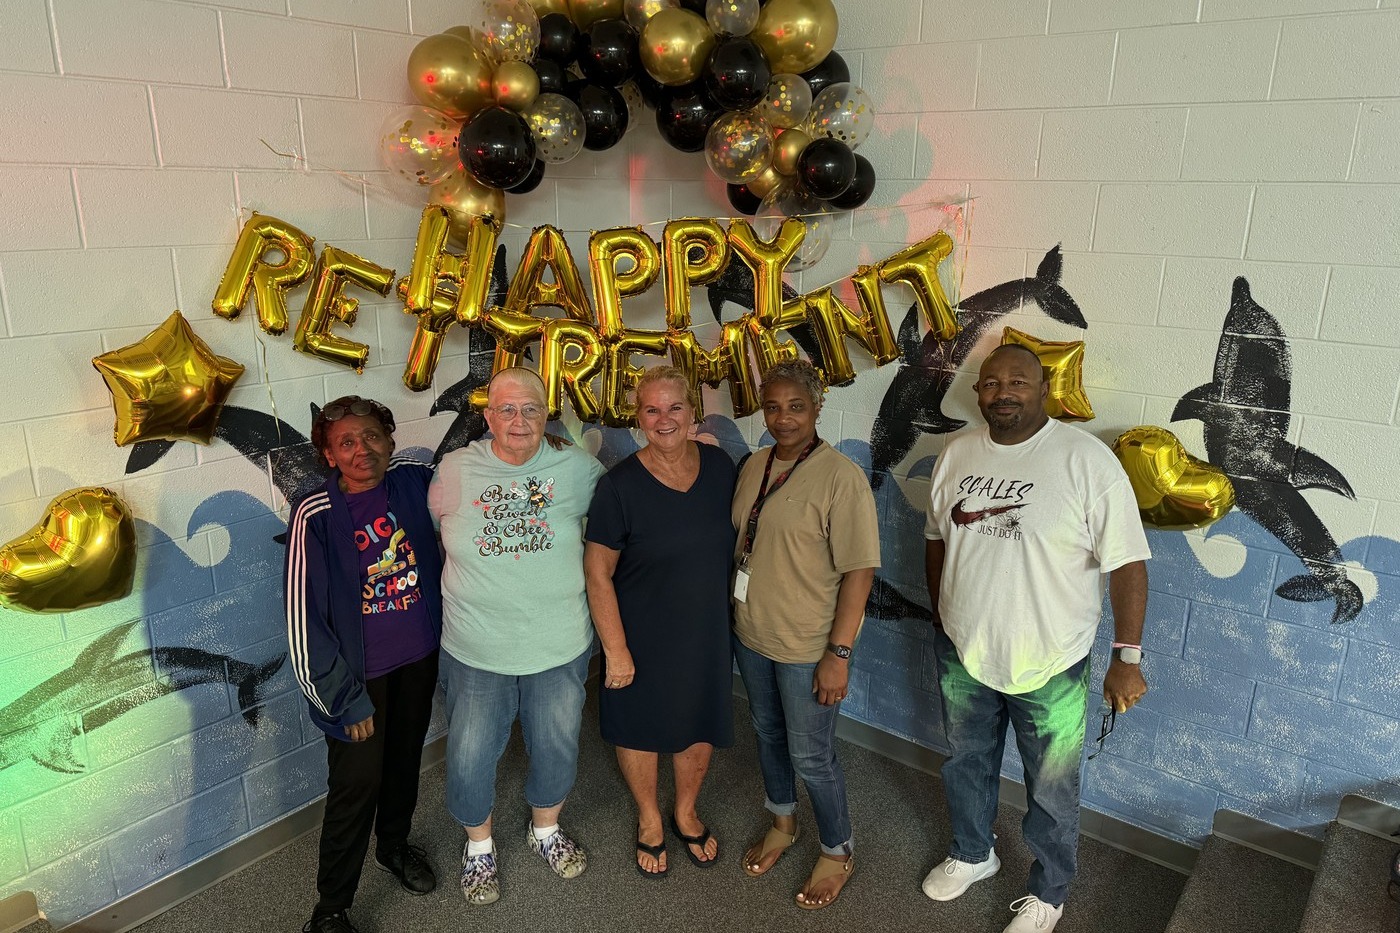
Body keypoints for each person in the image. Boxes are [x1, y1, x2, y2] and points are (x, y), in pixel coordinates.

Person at [922, 344, 1151, 933]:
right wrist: (945, 614)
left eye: (1017, 381)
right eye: (992, 382)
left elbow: (1126, 563)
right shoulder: (956, 452)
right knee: (965, 762)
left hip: (1052, 659)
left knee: (1051, 784)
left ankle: (1049, 890)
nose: (1004, 392)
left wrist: (1127, 656)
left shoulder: (1086, 460)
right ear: (978, 393)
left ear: (1043, 387)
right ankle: (974, 854)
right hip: (966, 650)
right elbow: (936, 539)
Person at [428, 367, 604, 906]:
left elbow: (623, 519)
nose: (519, 420)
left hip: (558, 644)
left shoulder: (579, 469)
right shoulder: (456, 469)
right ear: (488, 418)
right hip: (476, 647)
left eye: (530, 409)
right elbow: (438, 536)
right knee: (469, 754)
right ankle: (478, 848)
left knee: (557, 746)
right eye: (506, 409)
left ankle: (545, 830)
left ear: (546, 415)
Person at [285, 396, 443, 933]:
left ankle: (394, 847)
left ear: (390, 440)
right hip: (357, 682)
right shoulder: (316, 512)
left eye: (371, 436)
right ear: (329, 454)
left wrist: (545, 444)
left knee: (403, 762)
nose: (362, 450)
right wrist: (342, 696)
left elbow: (487, 473)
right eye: (346, 443)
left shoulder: (415, 482)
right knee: (356, 785)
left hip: (417, 661)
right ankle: (330, 907)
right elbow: (302, 619)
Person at [731, 359, 880, 910]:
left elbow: (859, 572)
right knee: (767, 734)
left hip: (807, 647)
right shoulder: (755, 464)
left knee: (813, 756)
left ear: (817, 408)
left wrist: (838, 654)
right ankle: (782, 822)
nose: (784, 417)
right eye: (773, 406)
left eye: (796, 406)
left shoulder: (841, 477)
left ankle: (837, 851)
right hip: (751, 635)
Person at [584, 366, 737, 878]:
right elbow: (598, 573)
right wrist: (616, 649)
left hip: (706, 628)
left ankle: (685, 810)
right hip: (641, 631)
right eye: (652, 409)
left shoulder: (720, 467)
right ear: (638, 417)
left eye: (675, 407)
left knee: (699, 719)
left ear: (693, 413)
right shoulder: (618, 486)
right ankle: (650, 817)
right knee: (640, 724)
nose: (664, 418)